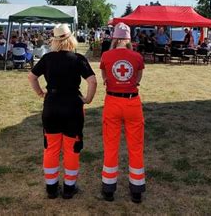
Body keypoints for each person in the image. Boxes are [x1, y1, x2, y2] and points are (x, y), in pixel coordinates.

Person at [28, 24, 97, 200]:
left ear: (55, 41)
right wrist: (88, 99)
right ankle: (69, 188)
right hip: (73, 107)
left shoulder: (48, 58)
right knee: (72, 148)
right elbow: (92, 81)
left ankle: (51, 189)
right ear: (71, 38)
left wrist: (40, 93)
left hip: (51, 105)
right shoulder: (78, 58)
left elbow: (32, 76)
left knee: (50, 148)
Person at [99, 22, 146, 204]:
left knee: (111, 146)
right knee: (135, 147)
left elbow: (104, 75)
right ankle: (136, 190)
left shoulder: (106, 55)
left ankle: (109, 189)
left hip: (112, 102)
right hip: (132, 102)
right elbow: (138, 78)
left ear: (114, 38)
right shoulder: (136, 56)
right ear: (128, 39)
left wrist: (109, 81)